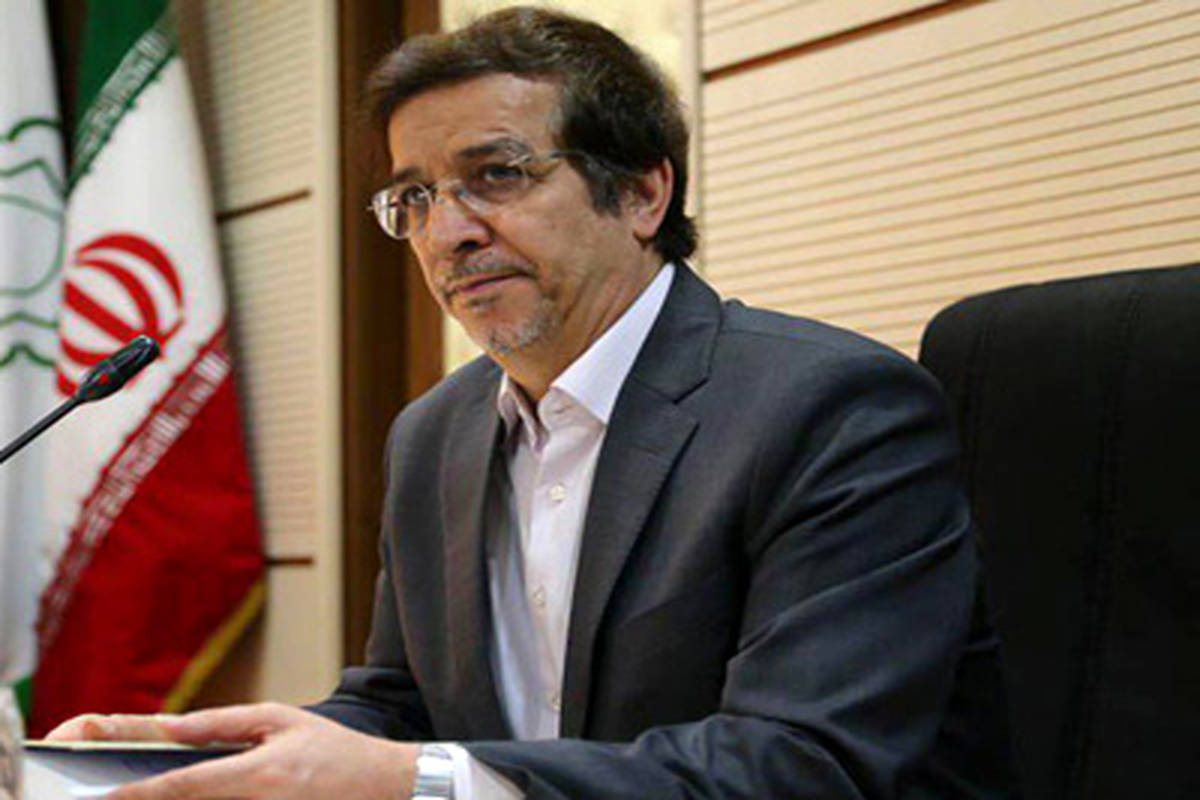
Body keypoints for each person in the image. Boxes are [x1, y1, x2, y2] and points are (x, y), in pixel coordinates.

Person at [49, 6, 1016, 799]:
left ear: (641, 194)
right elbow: (399, 709)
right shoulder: (434, 434)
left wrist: (411, 780)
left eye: (496, 176)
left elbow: (803, 767)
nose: (448, 235)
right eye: (415, 198)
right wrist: (213, 760)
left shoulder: (831, 408)